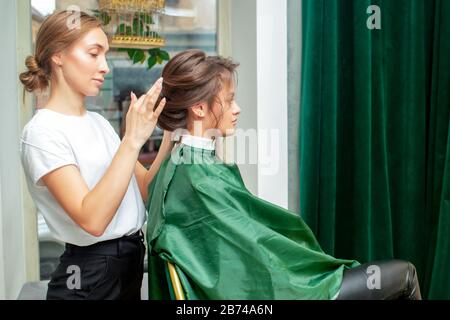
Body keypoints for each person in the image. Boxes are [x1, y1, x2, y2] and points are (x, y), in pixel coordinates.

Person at [145, 49, 422, 300]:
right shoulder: (199, 178)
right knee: (404, 275)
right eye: (229, 101)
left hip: (276, 285)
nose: (237, 108)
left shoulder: (179, 168)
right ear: (199, 108)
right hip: (289, 291)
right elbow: (252, 253)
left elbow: (243, 245)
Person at [19, 10, 170, 300]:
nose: (105, 67)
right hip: (88, 272)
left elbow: (146, 189)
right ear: (58, 56)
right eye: (93, 54)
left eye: (105, 55)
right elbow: (93, 220)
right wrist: (131, 141)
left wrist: (170, 133)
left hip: (130, 260)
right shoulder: (42, 133)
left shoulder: (99, 123)